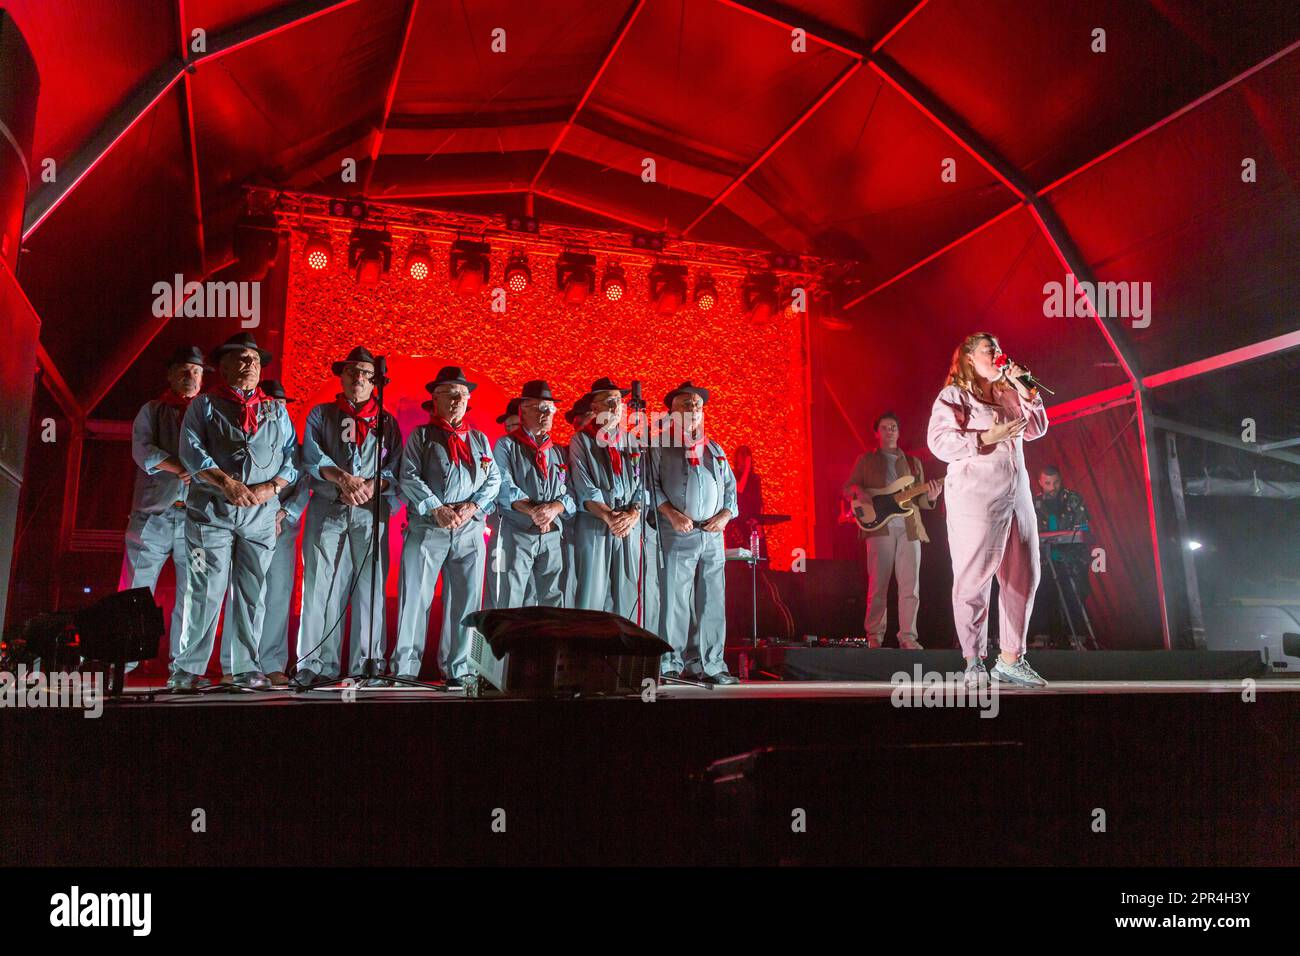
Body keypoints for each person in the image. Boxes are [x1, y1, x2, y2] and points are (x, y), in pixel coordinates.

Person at [169, 333, 298, 691]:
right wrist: (227, 483)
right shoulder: (206, 405)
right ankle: (187, 669)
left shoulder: (275, 409)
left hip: (259, 514)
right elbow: (191, 452)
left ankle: (243, 667)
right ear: (223, 366)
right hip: (212, 512)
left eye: (255, 361)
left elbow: (291, 458)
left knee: (252, 592)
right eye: (241, 359)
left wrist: (271, 488)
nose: (249, 366)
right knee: (204, 589)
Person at [927, 332, 1049, 687]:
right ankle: (974, 660)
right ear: (968, 357)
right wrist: (983, 438)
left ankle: (1011, 658)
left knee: (1024, 573)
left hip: (1017, 493)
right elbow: (938, 442)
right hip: (976, 495)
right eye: (988, 349)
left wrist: (1027, 388)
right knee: (974, 576)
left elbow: (1037, 429)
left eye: (998, 348)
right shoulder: (955, 395)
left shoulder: (1010, 390)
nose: (997, 353)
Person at [295, 347, 402, 687]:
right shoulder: (322, 414)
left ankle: (366, 662)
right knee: (320, 586)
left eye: (366, 373)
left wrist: (369, 486)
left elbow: (396, 469)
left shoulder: (386, 421)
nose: (358, 378)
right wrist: (342, 480)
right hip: (328, 506)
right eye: (352, 372)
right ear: (341, 377)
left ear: (375, 381)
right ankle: (314, 662)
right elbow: (311, 456)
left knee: (371, 586)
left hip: (371, 511)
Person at [392, 366, 500, 687]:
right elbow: (408, 475)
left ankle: (461, 669)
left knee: (466, 601)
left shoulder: (478, 438)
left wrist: (473, 506)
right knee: (415, 598)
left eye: (462, 395)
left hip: (468, 528)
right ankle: (405, 670)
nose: (456, 400)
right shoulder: (422, 436)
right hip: (429, 526)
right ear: (434, 400)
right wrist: (435, 507)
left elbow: (493, 479)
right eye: (449, 394)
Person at [118, 345, 211, 673]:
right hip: (154, 515)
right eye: (184, 370)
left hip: (196, 519)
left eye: (196, 371)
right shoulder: (153, 409)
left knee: (192, 593)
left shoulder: (209, 412)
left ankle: (183, 667)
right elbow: (141, 449)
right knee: (136, 588)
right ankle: (124, 662)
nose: (190, 377)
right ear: (170, 375)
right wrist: (178, 465)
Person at [220, 379, 309, 686]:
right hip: (249, 523)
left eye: (282, 406)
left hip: (282, 529)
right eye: (272, 405)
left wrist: (285, 513)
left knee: (278, 594)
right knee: (243, 593)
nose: (277, 410)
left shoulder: (293, 446)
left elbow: (304, 484)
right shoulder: (248, 439)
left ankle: (271, 661)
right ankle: (234, 663)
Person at [652, 382, 739, 684]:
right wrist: (671, 513)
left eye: (697, 406)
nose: (692, 410)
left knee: (713, 599)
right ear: (671, 413)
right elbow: (650, 486)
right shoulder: (660, 445)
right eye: (685, 405)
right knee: (675, 598)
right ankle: (671, 663)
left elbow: (730, 488)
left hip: (712, 534)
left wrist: (726, 515)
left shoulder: (714, 448)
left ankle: (711, 664)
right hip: (678, 532)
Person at [843, 411, 942, 649]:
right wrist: (859, 490)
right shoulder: (866, 460)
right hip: (879, 529)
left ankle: (908, 636)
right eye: (886, 427)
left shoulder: (913, 462)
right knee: (878, 585)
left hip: (910, 528)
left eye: (894, 427)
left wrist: (930, 497)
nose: (890, 431)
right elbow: (848, 487)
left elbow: (919, 500)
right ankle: (874, 636)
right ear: (876, 433)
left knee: (911, 586)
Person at [491, 380, 575, 608]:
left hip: (551, 533)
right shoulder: (506, 445)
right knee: (512, 598)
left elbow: (570, 491)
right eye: (541, 408)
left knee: (553, 598)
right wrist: (535, 511)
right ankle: (510, 644)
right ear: (524, 409)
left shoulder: (558, 450)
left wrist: (554, 509)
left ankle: (550, 644)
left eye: (551, 409)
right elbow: (503, 484)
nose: (547, 414)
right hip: (518, 531)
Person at [1031, 465, 1092, 647]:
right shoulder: (1034, 503)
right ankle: (1041, 636)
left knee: (1073, 595)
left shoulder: (1073, 499)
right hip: (1043, 560)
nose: (1052, 487)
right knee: (1041, 594)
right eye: (1048, 483)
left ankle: (1077, 637)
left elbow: (1082, 528)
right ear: (1040, 483)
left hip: (1070, 559)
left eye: (1056, 482)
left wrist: (1068, 537)